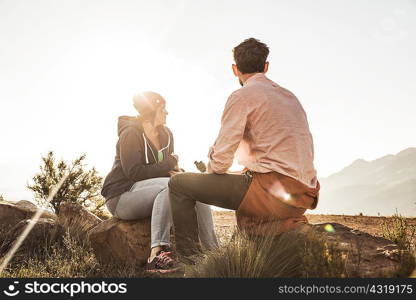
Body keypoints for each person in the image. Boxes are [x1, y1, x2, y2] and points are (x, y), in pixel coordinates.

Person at [169, 38, 320, 257]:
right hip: (303, 196)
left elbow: (220, 163)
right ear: (266, 67)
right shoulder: (290, 97)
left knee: (179, 184)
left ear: (234, 69)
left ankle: (189, 262)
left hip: (271, 195)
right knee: (241, 181)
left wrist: (212, 169)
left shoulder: (242, 96)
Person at [101, 91, 218, 271]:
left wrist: (178, 173)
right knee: (170, 187)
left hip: (153, 190)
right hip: (121, 195)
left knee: (196, 187)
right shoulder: (130, 134)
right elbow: (134, 173)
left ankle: (213, 251)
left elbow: (165, 169)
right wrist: (169, 164)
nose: (167, 113)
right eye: (163, 109)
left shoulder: (166, 134)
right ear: (151, 112)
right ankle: (157, 255)